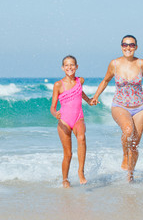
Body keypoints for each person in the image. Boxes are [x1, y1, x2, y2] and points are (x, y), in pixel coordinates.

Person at [90, 35, 143, 182]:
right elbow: (105, 80)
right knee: (128, 130)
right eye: (125, 45)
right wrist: (96, 96)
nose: (128, 48)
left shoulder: (141, 63)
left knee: (135, 144)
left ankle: (130, 175)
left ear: (136, 47)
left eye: (131, 45)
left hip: (140, 107)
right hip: (120, 105)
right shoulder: (115, 64)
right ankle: (124, 155)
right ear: (121, 46)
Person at [50, 55, 92, 188]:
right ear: (63, 68)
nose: (70, 67)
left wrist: (89, 100)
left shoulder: (81, 80)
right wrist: (55, 113)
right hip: (64, 121)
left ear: (77, 67)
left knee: (82, 138)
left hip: (78, 117)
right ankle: (65, 179)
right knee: (68, 153)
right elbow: (52, 106)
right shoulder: (58, 85)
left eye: (72, 65)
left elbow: (80, 92)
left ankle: (81, 171)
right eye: (67, 65)